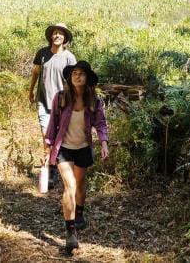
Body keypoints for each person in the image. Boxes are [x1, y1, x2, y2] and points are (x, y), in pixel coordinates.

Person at [43, 61, 109, 254]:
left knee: (79, 185)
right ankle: (70, 233)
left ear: (87, 78)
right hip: (63, 148)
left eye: (81, 73)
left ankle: (79, 213)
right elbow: (52, 123)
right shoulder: (61, 97)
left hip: (83, 148)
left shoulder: (94, 101)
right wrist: (47, 148)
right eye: (74, 73)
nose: (77, 76)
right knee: (69, 186)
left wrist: (104, 142)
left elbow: (101, 123)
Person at [29, 23, 76, 185]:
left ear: (65, 38)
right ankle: (48, 171)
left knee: (59, 137)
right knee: (46, 137)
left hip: (62, 104)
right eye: (55, 33)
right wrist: (30, 91)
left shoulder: (70, 57)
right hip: (43, 101)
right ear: (51, 36)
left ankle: (56, 166)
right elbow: (35, 73)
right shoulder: (42, 53)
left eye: (60, 34)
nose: (57, 36)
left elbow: (74, 81)